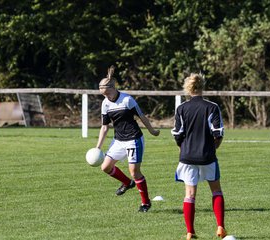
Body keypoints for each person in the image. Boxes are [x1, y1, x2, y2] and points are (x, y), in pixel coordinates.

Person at [95, 65, 160, 212]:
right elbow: (105, 126)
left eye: (106, 93)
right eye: (103, 95)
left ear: (113, 88)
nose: (105, 97)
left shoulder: (127, 100)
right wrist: (98, 147)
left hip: (133, 139)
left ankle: (145, 203)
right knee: (105, 167)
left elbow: (141, 116)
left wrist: (152, 131)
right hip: (118, 140)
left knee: (134, 172)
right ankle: (127, 183)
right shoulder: (105, 103)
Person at [171, 73, 226, 239]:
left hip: (187, 156)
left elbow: (177, 134)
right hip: (207, 156)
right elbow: (218, 132)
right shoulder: (212, 107)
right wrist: (214, 147)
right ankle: (220, 227)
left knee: (189, 195)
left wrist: (183, 148)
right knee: (216, 190)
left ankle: (190, 231)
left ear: (187, 88)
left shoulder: (181, 109)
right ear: (202, 86)